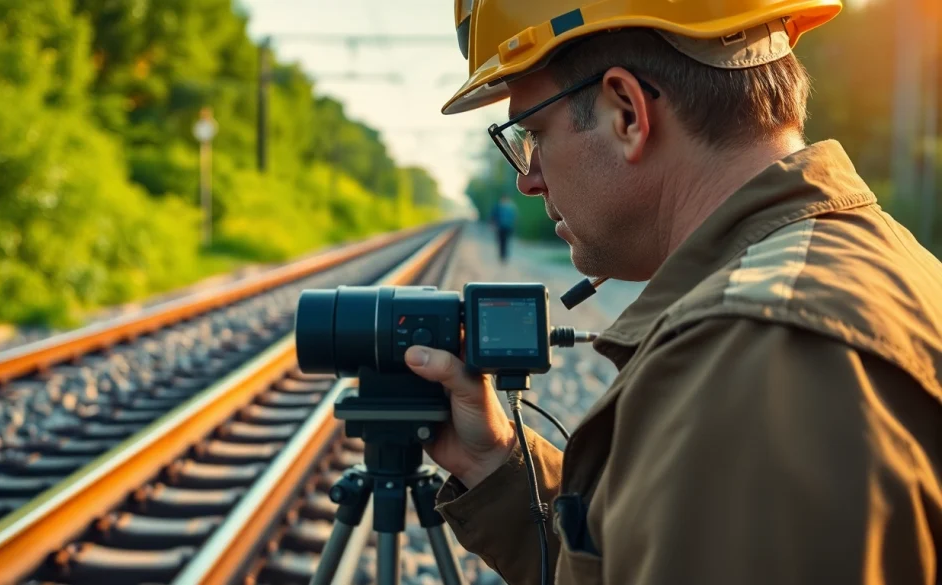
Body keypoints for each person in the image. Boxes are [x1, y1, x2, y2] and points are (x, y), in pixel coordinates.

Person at [403, 1, 942, 584]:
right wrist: (495, 465)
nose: (528, 180)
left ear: (627, 113)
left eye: (534, 134)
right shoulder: (874, 263)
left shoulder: (756, 363)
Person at [489, 194, 518, 262]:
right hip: (501, 227)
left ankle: (504, 255)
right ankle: (502, 255)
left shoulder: (510, 208)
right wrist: (492, 224)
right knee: (501, 241)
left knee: (505, 241)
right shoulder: (499, 207)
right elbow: (493, 216)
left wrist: (514, 226)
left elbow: (514, 218)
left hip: (507, 227)